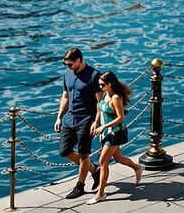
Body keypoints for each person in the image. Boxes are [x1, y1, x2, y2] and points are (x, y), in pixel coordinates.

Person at [89, 71, 142, 203]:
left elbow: (120, 117)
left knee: (103, 162)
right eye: (99, 84)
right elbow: (99, 109)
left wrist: (103, 126)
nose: (100, 87)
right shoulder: (105, 94)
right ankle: (137, 167)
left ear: (110, 84)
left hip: (115, 133)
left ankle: (100, 193)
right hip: (106, 133)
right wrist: (96, 122)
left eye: (102, 85)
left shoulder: (116, 98)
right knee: (118, 158)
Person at [56, 47, 101, 199]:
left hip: (86, 120)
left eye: (69, 64)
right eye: (65, 64)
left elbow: (99, 102)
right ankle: (95, 169)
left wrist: (96, 121)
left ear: (78, 60)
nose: (67, 67)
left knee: (83, 154)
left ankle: (80, 186)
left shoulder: (94, 75)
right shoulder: (67, 74)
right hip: (70, 118)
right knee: (64, 150)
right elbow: (65, 96)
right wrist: (59, 117)